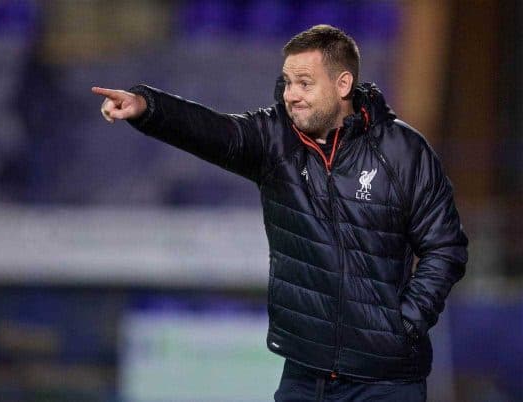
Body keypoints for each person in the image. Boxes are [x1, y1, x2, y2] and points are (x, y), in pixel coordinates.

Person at [92, 24, 468, 402]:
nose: (292, 95)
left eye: (305, 83)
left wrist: (404, 323)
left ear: (343, 85)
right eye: (287, 82)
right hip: (304, 376)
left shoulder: (404, 151)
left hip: (386, 381)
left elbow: (446, 247)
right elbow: (210, 131)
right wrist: (147, 107)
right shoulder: (274, 141)